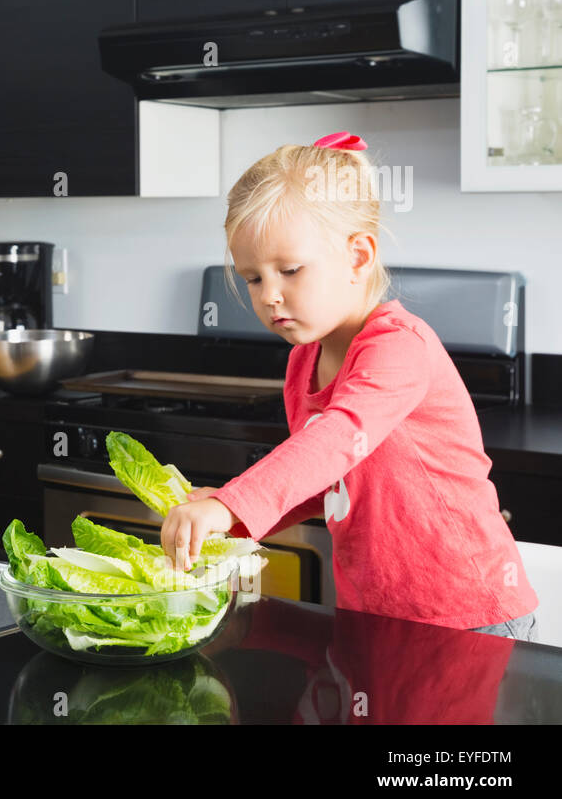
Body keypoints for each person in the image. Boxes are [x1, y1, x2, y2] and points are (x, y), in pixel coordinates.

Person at [162, 131, 539, 640]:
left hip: (469, 615)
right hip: (375, 612)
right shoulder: (303, 362)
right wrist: (232, 513)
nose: (269, 296)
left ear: (359, 256)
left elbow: (336, 439)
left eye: (290, 270)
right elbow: (325, 478)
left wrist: (232, 501)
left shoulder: (398, 347)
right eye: (253, 278)